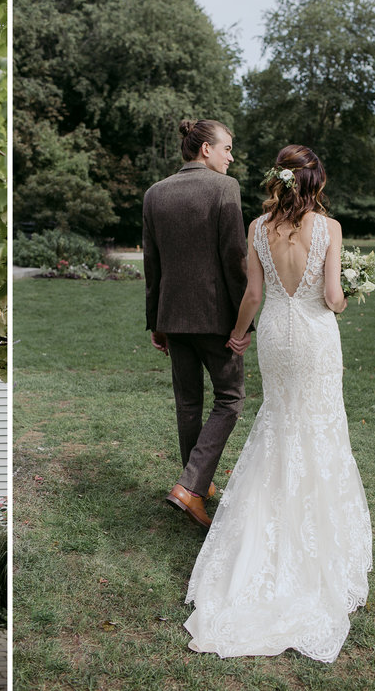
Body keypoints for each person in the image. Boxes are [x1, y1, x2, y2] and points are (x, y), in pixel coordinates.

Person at [183, 145, 373, 663]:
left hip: (274, 334)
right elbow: (332, 298)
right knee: (319, 425)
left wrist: (238, 336)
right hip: (313, 335)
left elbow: (252, 294)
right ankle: (314, 539)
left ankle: (264, 532)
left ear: (278, 179)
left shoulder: (256, 226)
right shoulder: (329, 229)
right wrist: (349, 290)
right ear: (315, 181)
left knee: (279, 420)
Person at [142, 118, 250, 528]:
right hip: (216, 318)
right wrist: (244, 323)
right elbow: (234, 260)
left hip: (173, 316)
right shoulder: (226, 188)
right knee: (230, 399)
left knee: (188, 403)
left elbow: (153, 266)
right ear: (205, 149)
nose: (231, 156)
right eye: (227, 148)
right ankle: (190, 487)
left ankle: (195, 487)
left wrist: (157, 321)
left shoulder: (154, 194)